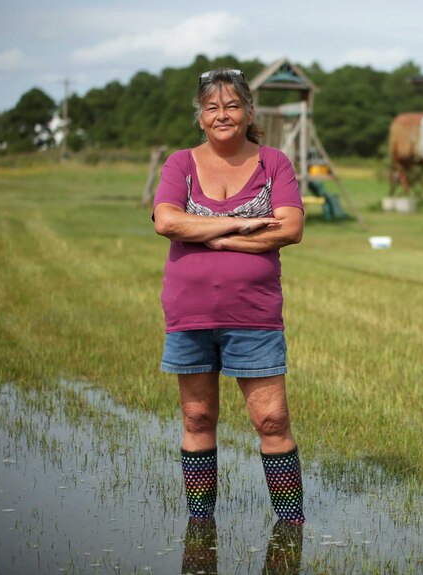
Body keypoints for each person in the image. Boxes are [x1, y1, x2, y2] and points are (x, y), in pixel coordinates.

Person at [153, 67, 306, 525]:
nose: (223, 114)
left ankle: (291, 525)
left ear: (248, 112)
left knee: (272, 421)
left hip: (254, 315)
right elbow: (166, 222)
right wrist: (242, 224)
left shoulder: (273, 162)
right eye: (212, 107)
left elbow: (291, 229)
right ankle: (201, 526)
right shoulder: (180, 163)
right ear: (200, 117)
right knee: (198, 419)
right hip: (190, 312)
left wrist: (211, 238)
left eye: (232, 105)